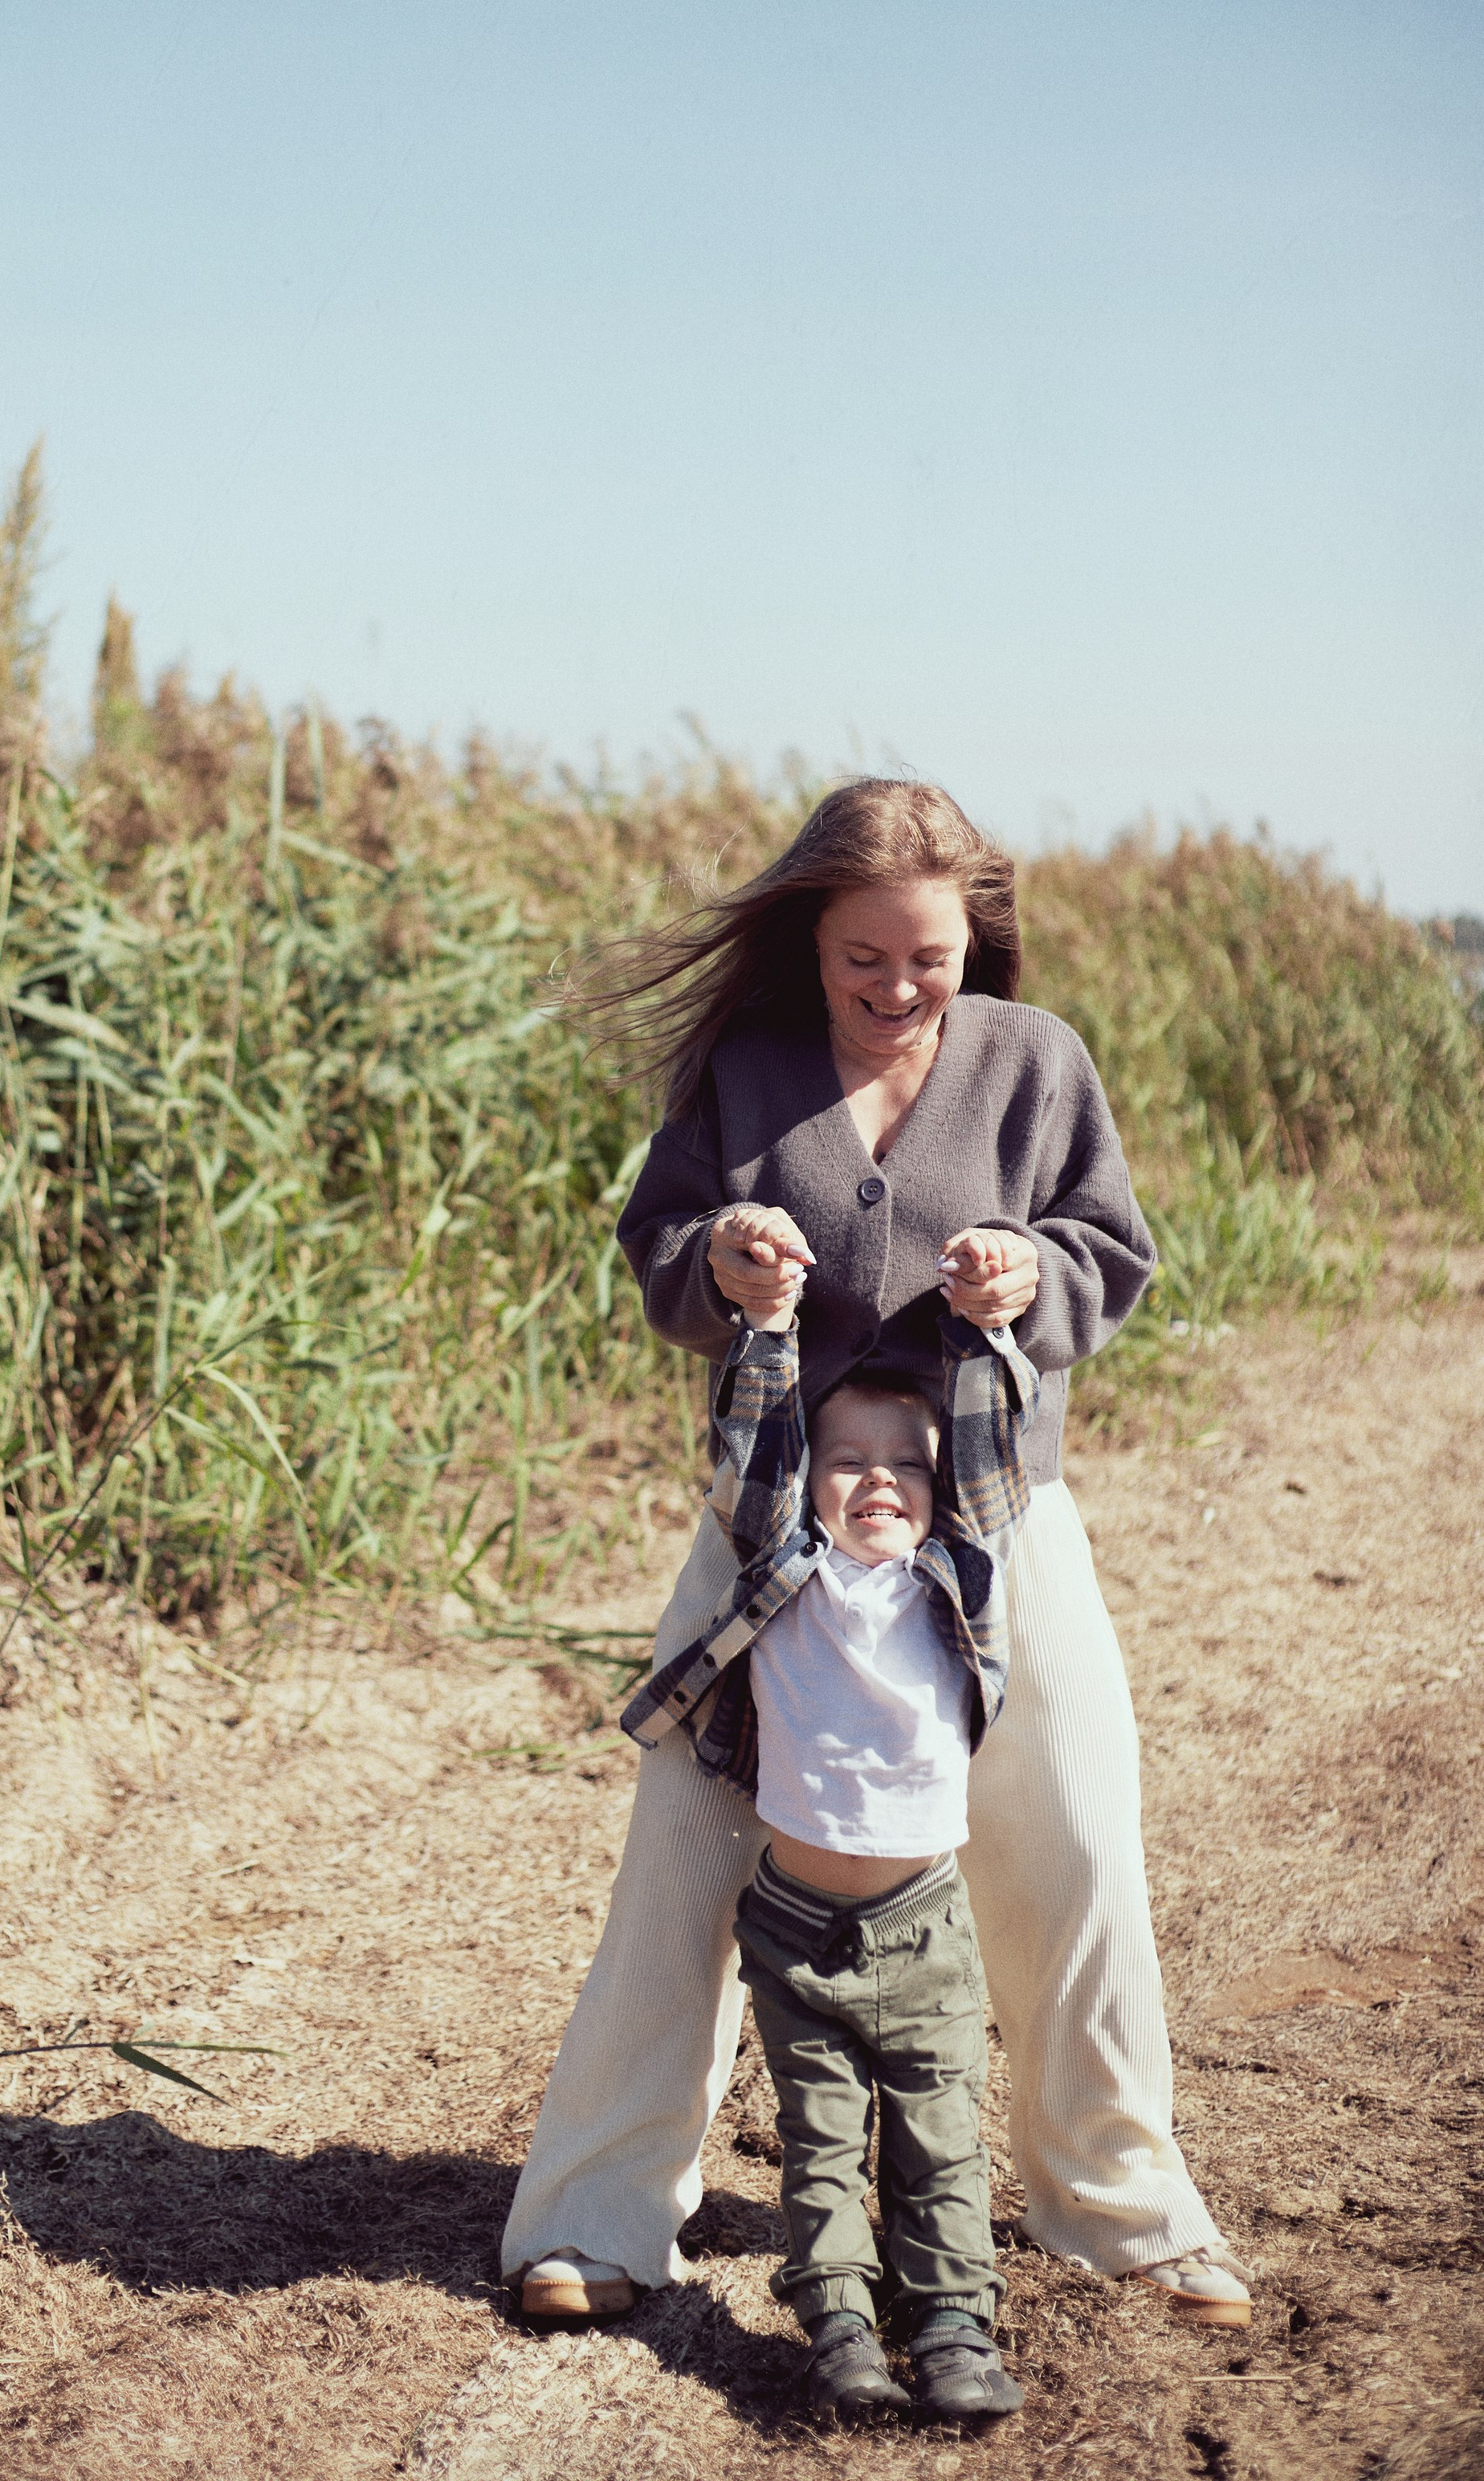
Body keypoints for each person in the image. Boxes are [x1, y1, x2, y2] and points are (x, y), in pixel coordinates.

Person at [506, 778, 1251, 2332]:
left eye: (933, 959)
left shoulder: (1037, 1065)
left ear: (974, 937)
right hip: (771, 1518)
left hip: (995, 1517)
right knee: (686, 1863)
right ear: (813, 942)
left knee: (1079, 1845)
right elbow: (659, 1248)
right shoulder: (746, 1068)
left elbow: (1113, 1255)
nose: (903, 990)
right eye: (867, 963)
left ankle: (1121, 2206)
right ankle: (598, 2213)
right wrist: (716, 1257)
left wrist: (1028, 1272)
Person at [724, 1359, 1026, 2423]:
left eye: (908, 1464)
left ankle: (951, 2330)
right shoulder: (784, 1573)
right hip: (796, 1935)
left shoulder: (958, 1582)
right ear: (810, 1484)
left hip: (923, 1935)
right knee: (820, 2143)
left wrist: (985, 1333)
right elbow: (753, 1456)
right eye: (848, 1462)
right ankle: (842, 2331)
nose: (881, 1480)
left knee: (942, 2140)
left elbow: (992, 1460)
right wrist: (766, 1330)